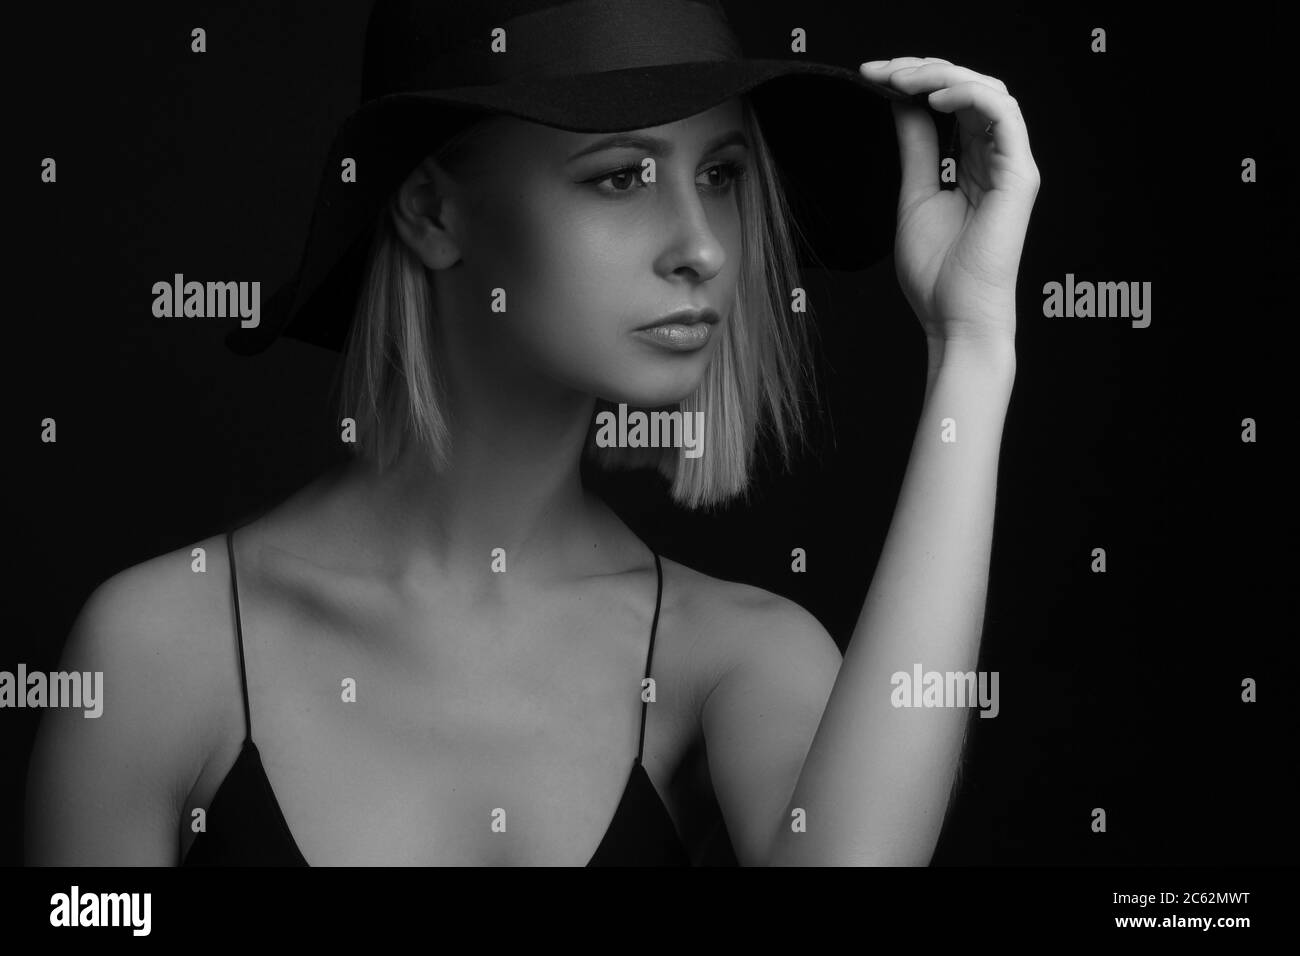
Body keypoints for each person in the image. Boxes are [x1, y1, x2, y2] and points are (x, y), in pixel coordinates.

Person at [24, 0, 1037, 866]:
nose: (699, 246)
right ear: (428, 209)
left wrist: (969, 351)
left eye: (721, 174)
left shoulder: (736, 655)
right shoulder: (160, 648)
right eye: (619, 176)